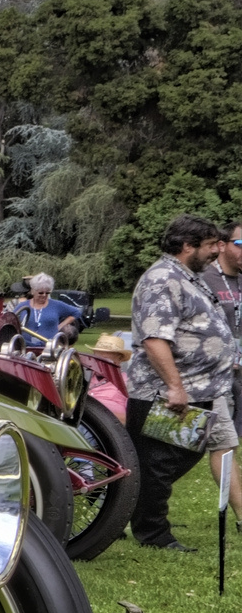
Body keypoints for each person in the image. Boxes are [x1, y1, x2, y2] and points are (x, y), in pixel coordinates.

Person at [126, 214, 236, 551]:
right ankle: (153, 534)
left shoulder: (188, 276)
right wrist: (175, 386)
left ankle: (125, 508)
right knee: (157, 465)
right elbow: (155, 338)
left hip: (201, 388)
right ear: (187, 246)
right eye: (210, 245)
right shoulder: (162, 279)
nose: (217, 251)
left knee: (183, 456)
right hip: (166, 392)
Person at [201, 222, 242, 509]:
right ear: (222, 245)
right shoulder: (204, 279)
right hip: (214, 373)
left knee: (227, 441)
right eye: (240, 243)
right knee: (221, 442)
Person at [10, 273, 82, 352]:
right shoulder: (23, 306)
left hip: (50, 348)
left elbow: (76, 312)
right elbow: (11, 320)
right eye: (40, 293)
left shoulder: (56, 305)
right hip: (26, 348)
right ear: (33, 291)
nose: (44, 295)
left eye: (47, 293)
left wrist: (61, 325)